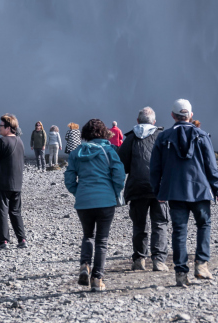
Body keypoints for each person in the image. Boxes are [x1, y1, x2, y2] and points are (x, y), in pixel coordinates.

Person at [150, 99, 218, 287]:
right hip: (200, 190)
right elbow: (211, 166)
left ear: (173, 116)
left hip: (174, 191)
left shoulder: (163, 137)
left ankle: (181, 273)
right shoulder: (202, 135)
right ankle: (201, 264)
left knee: (179, 231)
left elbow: (155, 168)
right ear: (191, 115)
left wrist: (157, 190)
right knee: (204, 225)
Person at [65, 119, 126, 292]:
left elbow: (69, 178)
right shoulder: (110, 151)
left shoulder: (76, 153)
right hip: (106, 201)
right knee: (102, 240)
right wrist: (114, 191)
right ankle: (97, 279)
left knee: (88, 236)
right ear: (104, 133)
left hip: (84, 201)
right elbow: (119, 175)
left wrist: (79, 192)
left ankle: (85, 265)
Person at [116, 107, 169, 272]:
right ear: (154, 122)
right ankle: (159, 260)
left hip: (137, 187)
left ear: (137, 121)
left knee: (139, 224)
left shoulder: (131, 138)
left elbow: (121, 166)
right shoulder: (161, 137)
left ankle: (139, 259)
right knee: (160, 223)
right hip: (158, 187)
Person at [0, 114, 28, 250]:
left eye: (1, 125)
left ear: (8, 128)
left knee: (1, 211)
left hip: (1, 182)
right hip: (17, 183)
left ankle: (3, 241)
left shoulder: (2, 141)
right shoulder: (20, 142)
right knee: (15, 211)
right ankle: (22, 239)